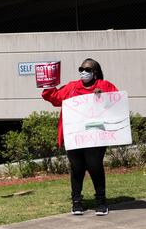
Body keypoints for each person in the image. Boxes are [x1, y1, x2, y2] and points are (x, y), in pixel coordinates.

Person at [42, 58, 118, 216]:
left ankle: (101, 202)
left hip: (95, 136)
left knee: (95, 166)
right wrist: (48, 84)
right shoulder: (71, 87)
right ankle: (76, 202)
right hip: (74, 136)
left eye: (88, 69)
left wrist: (103, 96)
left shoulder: (104, 86)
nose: (84, 72)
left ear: (95, 72)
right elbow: (55, 98)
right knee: (77, 168)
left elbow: (116, 102)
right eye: (81, 69)